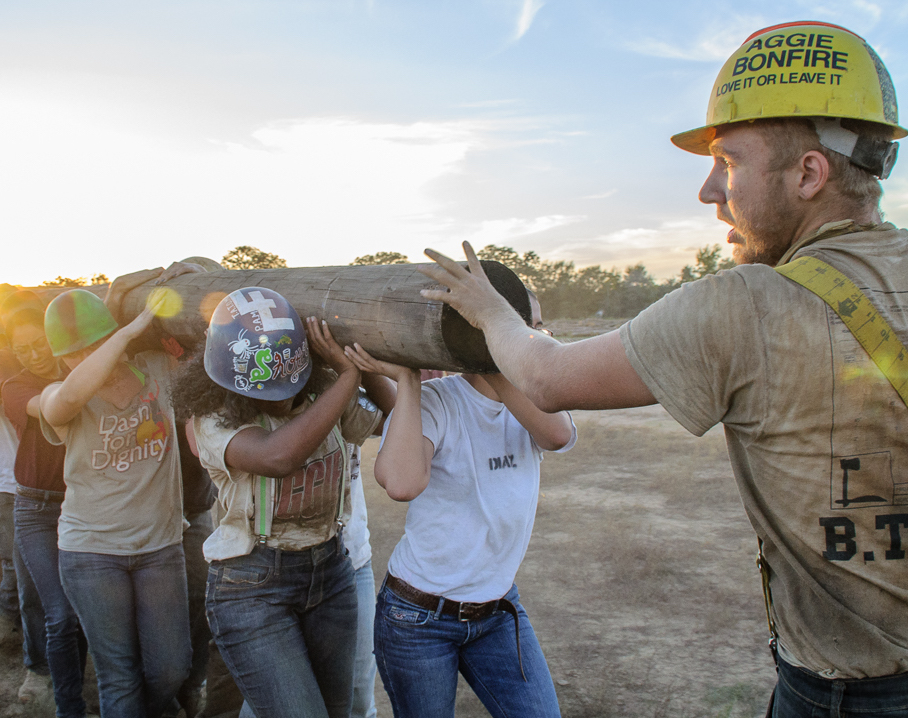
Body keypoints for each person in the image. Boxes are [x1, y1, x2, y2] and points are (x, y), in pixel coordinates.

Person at [419, 21, 908, 718]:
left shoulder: (747, 305)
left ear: (808, 173)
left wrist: (489, 311)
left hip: (843, 695)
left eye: (729, 162)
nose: (710, 191)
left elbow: (550, 378)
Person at [345, 292, 575, 718]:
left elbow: (557, 436)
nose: (543, 336)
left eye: (539, 326)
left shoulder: (535, 404)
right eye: (529, 327)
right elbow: (400, 482)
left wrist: (503, 359)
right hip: (418, 620)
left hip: (499, 612)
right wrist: (410, 382)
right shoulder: (438, 401)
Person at [170, 286, 391, 718]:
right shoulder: (212, 418)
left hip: (331, 571)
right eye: (269, 390)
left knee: (337, 710)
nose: (285, 399)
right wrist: (347, 379)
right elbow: (277, 457)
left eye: (292, 384)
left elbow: (393, 416)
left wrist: (358, 365)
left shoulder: (321, 398)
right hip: (251, 586)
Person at [39, 279, 193, 718]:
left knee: (171, 668)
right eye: (73, 353)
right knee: (119, 675)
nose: (84, 359)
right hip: (90, 554)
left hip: (160, 549)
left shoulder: (158, 368)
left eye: (96, 344)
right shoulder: (59, 396)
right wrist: (124, 333)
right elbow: (67, 395)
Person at [1, 294, 89, 717]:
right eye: (23, 349)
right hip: (36, 510)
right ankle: (67, 707)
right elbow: (51, 407)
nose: (33, 355)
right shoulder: (16, 386)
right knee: (58, 611)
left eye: (40, 343)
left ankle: (79, 692)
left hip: (85, 505)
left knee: (84, 610)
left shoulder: (83, 370)